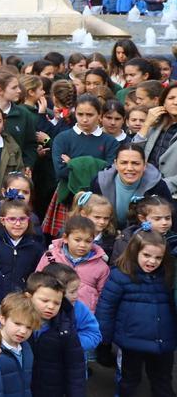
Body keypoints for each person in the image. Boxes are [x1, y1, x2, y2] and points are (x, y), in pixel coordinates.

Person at [95, 229, 177, 397]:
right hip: (131, 341)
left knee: (163, 382)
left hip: (163, 341)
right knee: (129, 380)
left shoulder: (168, 275)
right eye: (147, 255)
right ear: (134, 252)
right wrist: (104, 337)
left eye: (158, 257)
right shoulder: (121, 275)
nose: (152, 261)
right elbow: (107, 306)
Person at [23, 273, 85, 397]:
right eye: (45, 300)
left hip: (51, 391)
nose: (51, 306)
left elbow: (75, 368)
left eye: (57, 303)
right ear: (28, 297)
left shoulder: (65, 330)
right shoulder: (16, 325)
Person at [88, 143, 173, 227]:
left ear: (144, 165)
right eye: (124, 163)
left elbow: (171, 216)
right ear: (116, 164)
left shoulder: (157, 185)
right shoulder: (99, 183)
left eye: (135, 163)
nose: (129, 168)